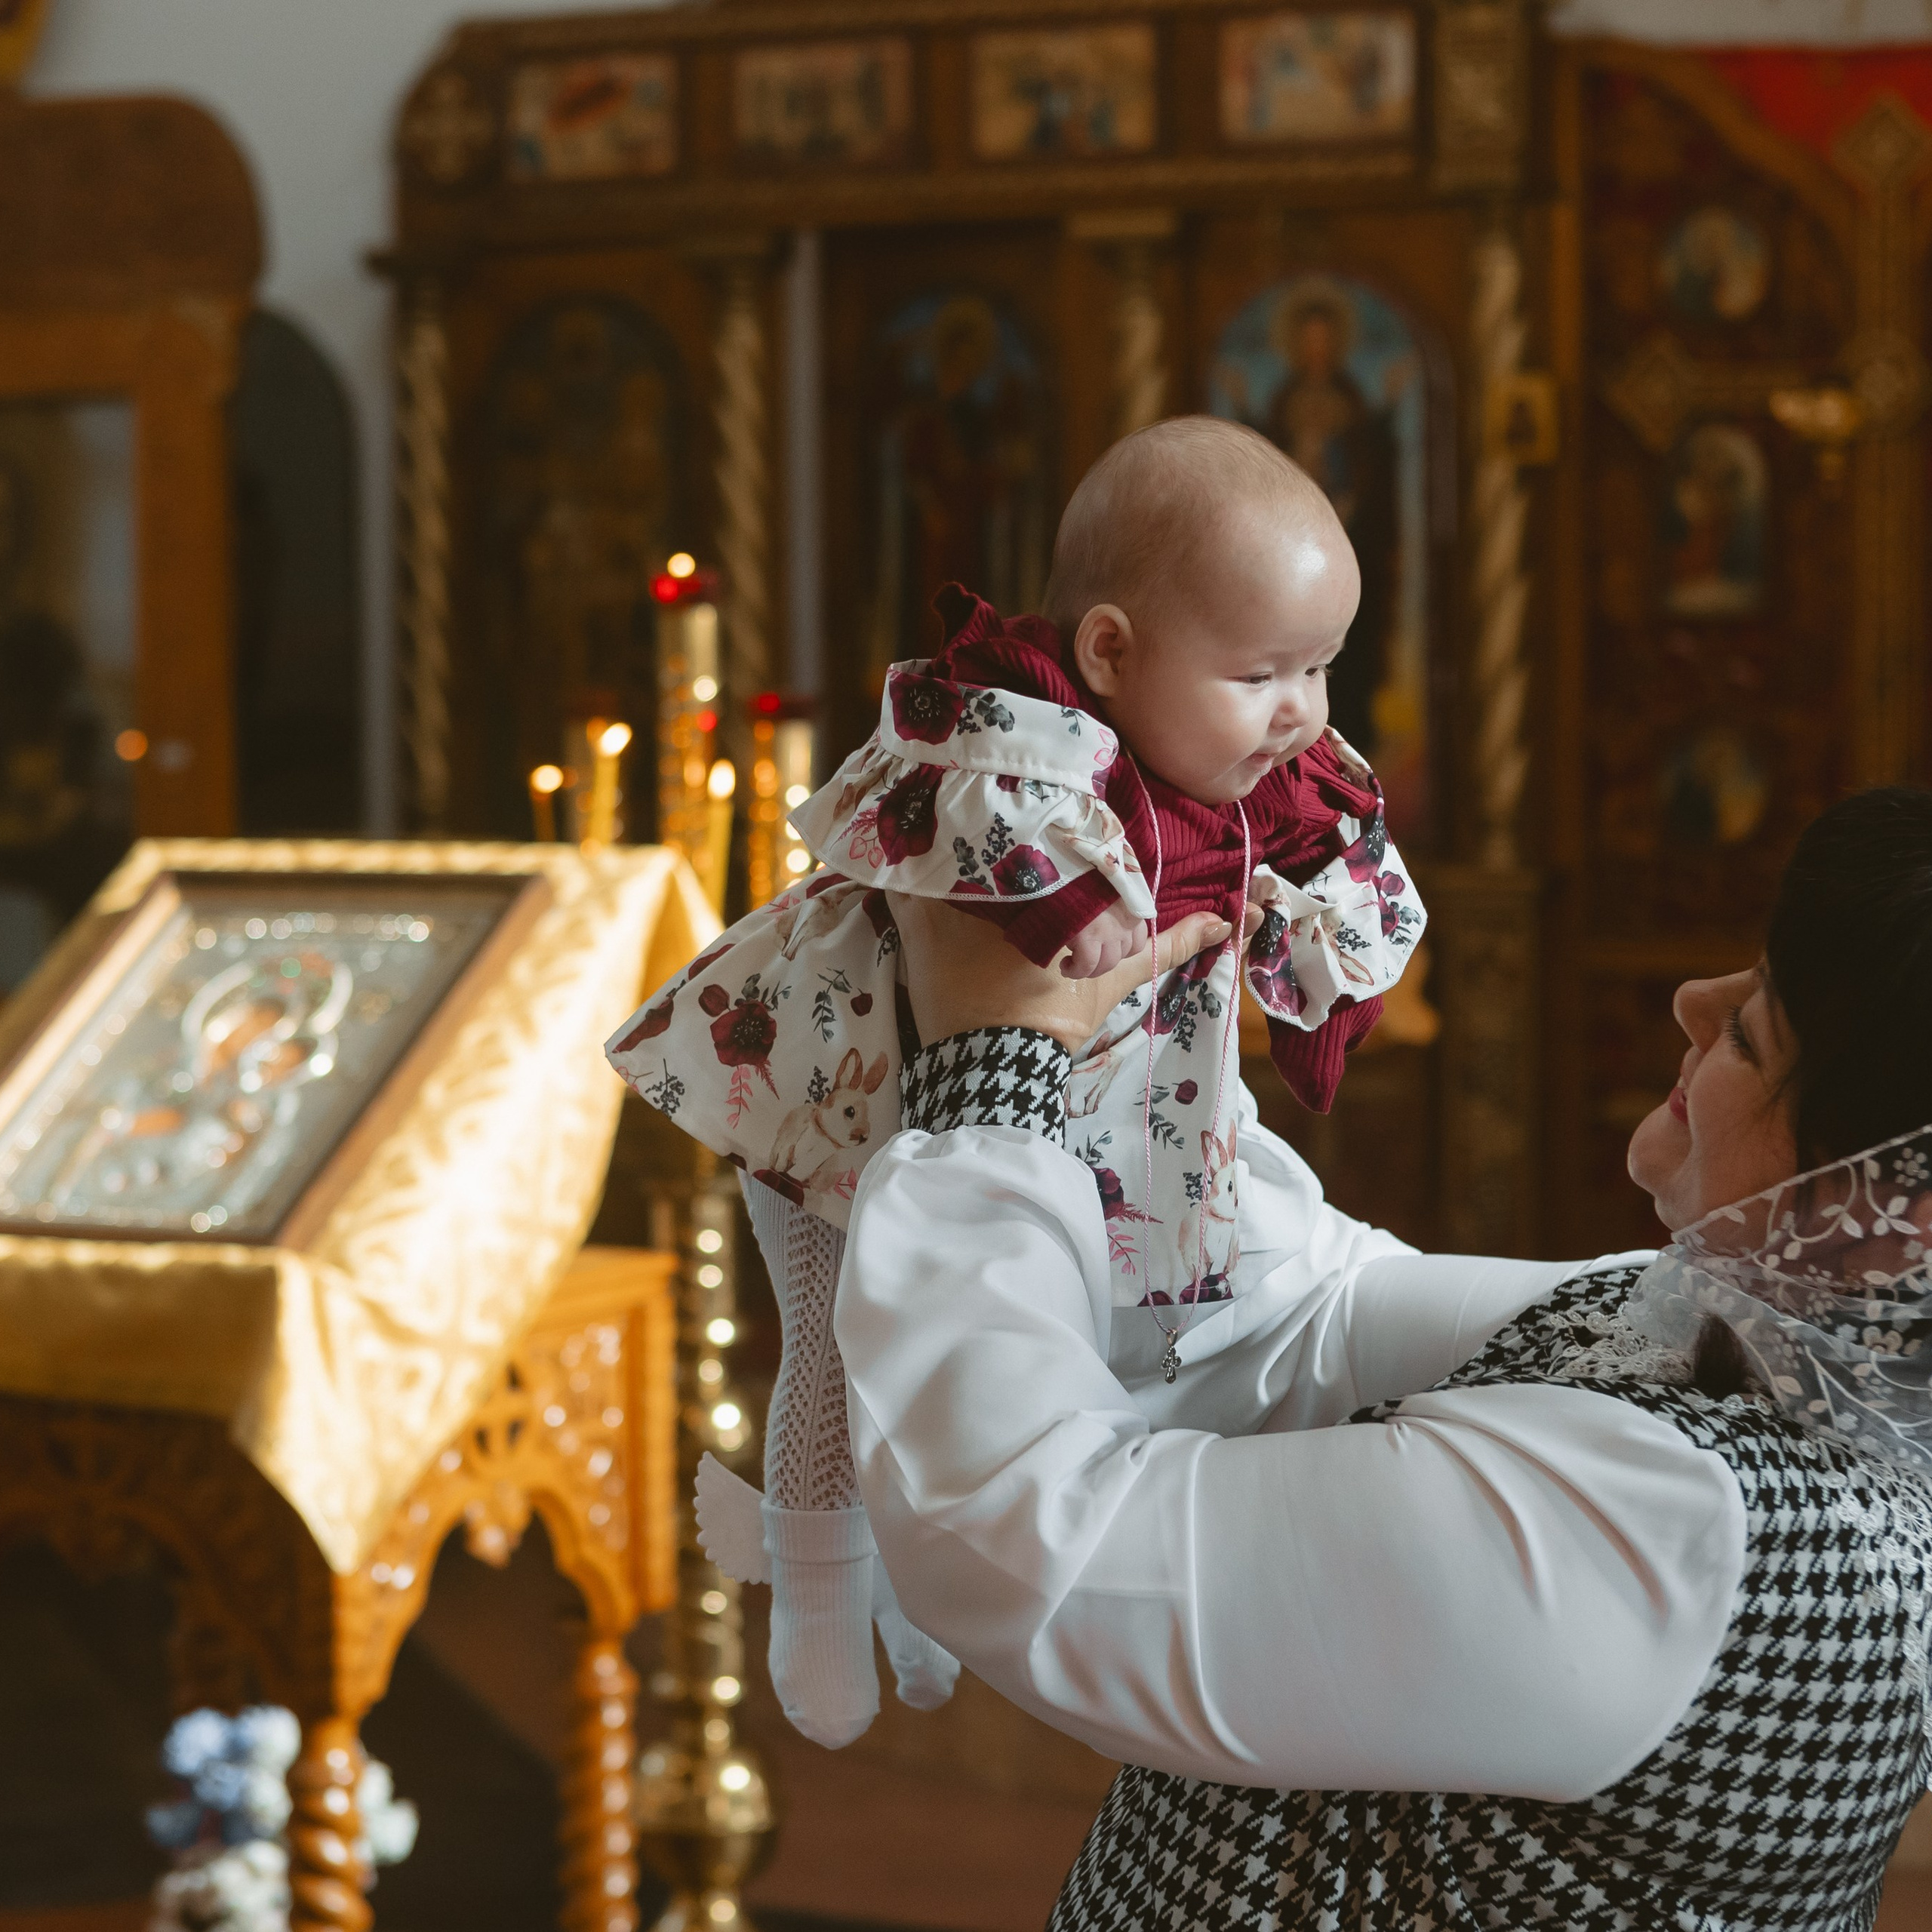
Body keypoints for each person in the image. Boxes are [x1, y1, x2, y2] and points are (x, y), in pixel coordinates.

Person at [835, 784, 1932, 1928]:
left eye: (1754, 1028)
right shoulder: (1778, 1346)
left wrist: (988, 1070)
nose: (1693, 999)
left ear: (1897, 1211)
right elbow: (1318, 1309)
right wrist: (1150, 1030)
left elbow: (1036, 1541)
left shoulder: (1676, 1528)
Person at [608, 417, 1426, 1746]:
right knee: (837, 1346)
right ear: (1110, 651)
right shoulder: (1011, 722)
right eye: (1264, 670)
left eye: (1324, 667)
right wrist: (1063, 897)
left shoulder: (1263, 773)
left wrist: (1323, 938)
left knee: (993, 1359)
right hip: (840, 1094)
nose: (1302, 711)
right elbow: (967, 810)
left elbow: (1341, 872)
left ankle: (930, 1602)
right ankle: (817, 1597)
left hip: (1046, 1117)